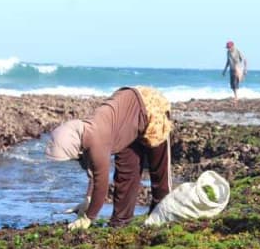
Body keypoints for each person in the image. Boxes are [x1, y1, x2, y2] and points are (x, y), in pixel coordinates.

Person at [45, 86, 172, 230]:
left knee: (159, 175)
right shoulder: (82, 133)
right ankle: (120, 223)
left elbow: (101, 185)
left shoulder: (96, 140)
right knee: (126, 175)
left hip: (151, 109)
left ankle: (161, 218)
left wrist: (88, 218)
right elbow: (93, 170)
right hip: (125, 124)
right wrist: (88, 199)